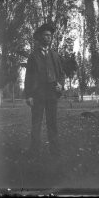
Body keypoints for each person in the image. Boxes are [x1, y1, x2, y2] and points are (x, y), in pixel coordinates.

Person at [23, 23, 64, 159]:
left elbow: (60, 74)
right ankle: (34, 152)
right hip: (38, 94)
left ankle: (56, 151)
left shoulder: (55, 55)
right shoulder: (33, 56)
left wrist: (60, 86)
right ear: (40, 37)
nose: (48, 37)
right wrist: (28, 95)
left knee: (52, 123)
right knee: (36, 124)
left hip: (52, 93)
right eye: (46, 35)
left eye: (50, 35)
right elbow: (28, 77)